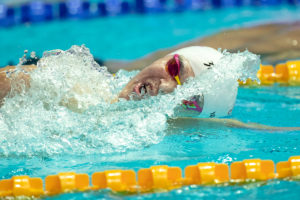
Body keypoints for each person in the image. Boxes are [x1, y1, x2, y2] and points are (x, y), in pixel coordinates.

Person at [0, 46, 299, 131]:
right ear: (167, 56)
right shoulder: (72, 84)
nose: (168, 88)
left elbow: (232, 125)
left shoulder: (163, 126)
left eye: (189, 98)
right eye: (173, 69)